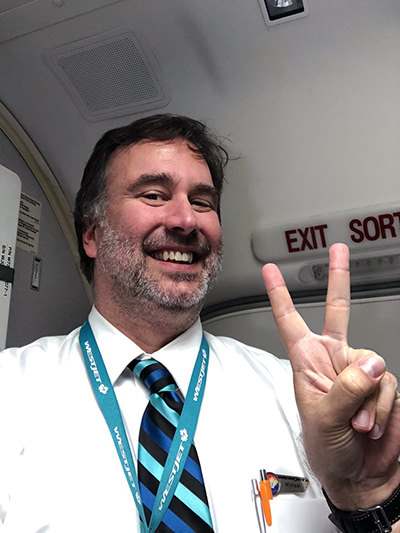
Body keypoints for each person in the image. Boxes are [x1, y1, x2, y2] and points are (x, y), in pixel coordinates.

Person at [0, 114, 399, 532]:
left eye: (202, 202)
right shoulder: (11, 391)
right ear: (92, 235)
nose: (186, 220)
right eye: (154, 195)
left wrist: (368, 493)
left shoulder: (302, 399)